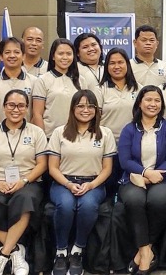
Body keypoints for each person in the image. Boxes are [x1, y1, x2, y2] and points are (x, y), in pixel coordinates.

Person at [0, 89, 48, 275]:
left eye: (21, 105)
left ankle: (3, 254)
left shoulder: (37, 132)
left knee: (25, 199)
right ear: (4, 107)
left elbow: (42, 164)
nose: (16, 109)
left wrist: (24, 180)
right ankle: (15, 251)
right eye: (11, 105)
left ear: (27, 108)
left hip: (28, 181)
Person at [47, 90, 115, 275]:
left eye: (90, 106)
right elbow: (52, 167)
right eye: (81, 106)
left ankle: (77, 250)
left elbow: (107, 168)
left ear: (96, 109)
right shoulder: (59, 132)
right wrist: (68, 185)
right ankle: (61, 252)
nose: (86, 110)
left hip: (93, 183)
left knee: (87, 206)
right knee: (66, 205)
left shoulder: (105, 133)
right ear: (73, 108)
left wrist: (91, 185)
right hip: (63, 182)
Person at [117, 86, 166, 275]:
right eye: (148, 100)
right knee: (135, 200)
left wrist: (156, 174)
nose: (152, 104)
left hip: (163, 177)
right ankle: (147, 253)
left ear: (161, 105)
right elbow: (124, 160)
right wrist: (146, 172)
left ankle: (142, 252)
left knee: (159, 201)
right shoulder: (129, 129)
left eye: (157, 100)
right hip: (133, 178)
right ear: (139, 103)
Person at [32, 39, 85, 135]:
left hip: (77, 135)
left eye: (69, 54)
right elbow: (37, 114)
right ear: (53, 56)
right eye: (60, 54)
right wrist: (42, 138)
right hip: (50, 136)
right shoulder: (42, 80)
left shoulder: (81, 80)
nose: (65, 57)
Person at [95, 47, 141, 140]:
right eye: (112, 63)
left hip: (133, 141)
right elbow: (94, 120)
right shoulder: (99, 90)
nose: (116, 67)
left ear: (127, 64)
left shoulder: (139, 89)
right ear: (107, 66)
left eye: (120, 62)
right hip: (107, 142)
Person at [0, 37, 36, 122]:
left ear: (23, 56)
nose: (12, 56)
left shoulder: (34, 81)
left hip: (27, 133)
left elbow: (36, 112)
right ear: (1, 57)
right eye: (7, 52)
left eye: (17, 52)